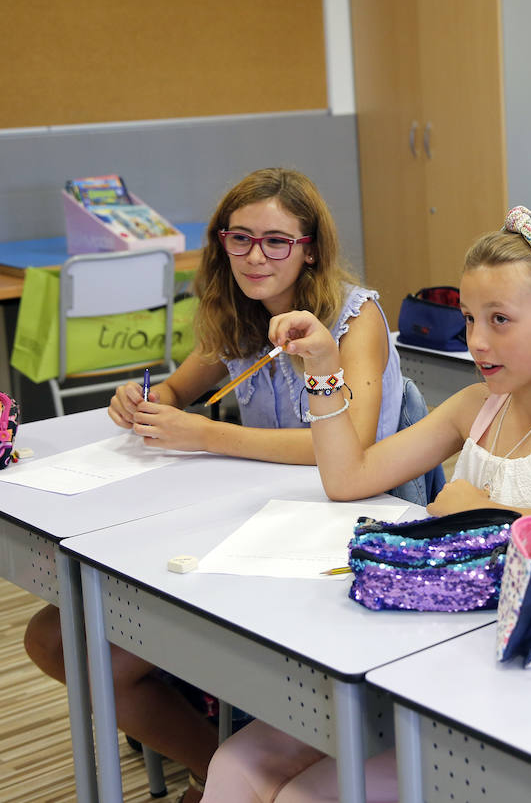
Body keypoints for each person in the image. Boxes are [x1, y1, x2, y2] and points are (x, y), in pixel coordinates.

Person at [204, 205, 531, 801]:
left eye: (500, 320)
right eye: (469, 319)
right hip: (443, 640)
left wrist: (479, 511)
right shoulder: (475, 406)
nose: (476, 341)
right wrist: (323, 367)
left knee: (300, 795)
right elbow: (347, 477)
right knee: (233, 765)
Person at [23, 167, 417, 803]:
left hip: (347, 532)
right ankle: (224, 770)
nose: (255, 256)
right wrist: (147, 400)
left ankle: (236, 772)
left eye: (276, 241)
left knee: (99, 636)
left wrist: (204, 434)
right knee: (56, 639)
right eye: (239, 239)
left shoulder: (353, 318)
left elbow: (348, 451)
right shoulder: (239, 312)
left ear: (309, 246)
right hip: (254, 517)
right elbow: (182, 387)